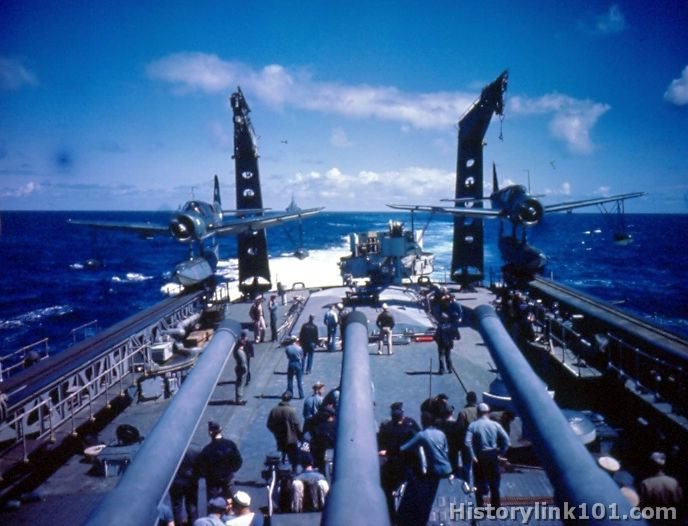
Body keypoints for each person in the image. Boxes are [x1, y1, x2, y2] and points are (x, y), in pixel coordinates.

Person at [397, 411, 453, 526]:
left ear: (423, 422)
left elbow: (405, 448)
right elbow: (446, 450)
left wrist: (389, 451)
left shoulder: (422, 435)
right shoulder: (441, 433)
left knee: (427, 497)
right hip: (448, 469)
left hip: (435, 471)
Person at [377, 402, 421, 521]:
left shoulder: (387, 427)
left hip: (395, 463)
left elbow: (381, 445)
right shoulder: (410, 425)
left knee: (388, 490)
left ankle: (392, 516)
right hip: (406, 463)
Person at [465, 403, 510, 509]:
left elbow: (467, 442)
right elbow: (506, 441)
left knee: (479, 483)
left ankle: (480, 508)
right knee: (494, 484)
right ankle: (496, 508)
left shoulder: (473, 425)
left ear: (478, 413)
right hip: (492, 455)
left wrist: (472, 455)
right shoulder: (495, 425)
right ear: (488, 412)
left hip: (479, 456)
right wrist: (501, 453)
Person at [196, 421, 243, 501]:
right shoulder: (230, 444)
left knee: (213, 503)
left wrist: (208, 475)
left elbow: (201, 467)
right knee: (232, 500)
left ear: (210, 432)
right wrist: (230, 471)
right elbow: (238, 461)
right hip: (228, 478)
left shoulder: (208, 449)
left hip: (213, 481)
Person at [638, 451, 684, 519]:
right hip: (672, 520)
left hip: (653, 520)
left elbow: (641, 507)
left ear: (650, 465)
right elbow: (680, 503)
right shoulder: (674, 482)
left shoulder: (645, 484)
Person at [267, 391, 302, 471]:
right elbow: (296, 424)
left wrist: (275, 431)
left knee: (282, 453)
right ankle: (293, 470)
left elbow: (269, 424)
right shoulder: (291, 411)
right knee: (293, 457)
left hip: (279, 437)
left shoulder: (274, 410)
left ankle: (280, 470)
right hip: (291, 438)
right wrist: (300, 435)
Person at [432, 292, 462, 374]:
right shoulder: (452, 325)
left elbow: (437, 334)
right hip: (448, 341)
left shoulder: (441, 325)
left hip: (441, 341)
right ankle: (449, 368)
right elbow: (457, 335)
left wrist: (436, 338)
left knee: (441, 355)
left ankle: (442, 369)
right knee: (448, 355)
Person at [170, 447, 199, 526]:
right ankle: (194, 524)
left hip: (176, 481)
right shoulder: (196, 450)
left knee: (177, 507)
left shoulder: (172, 450)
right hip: (191, 481)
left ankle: (178, 524)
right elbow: (200, 465)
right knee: (192, 505)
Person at [457, 391, 479, 492]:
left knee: (466, 463)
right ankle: (478, 484)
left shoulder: (463, 412)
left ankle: (467, 482)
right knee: (478, 463)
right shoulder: (480, 411)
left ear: (467, 400)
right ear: (476, 400)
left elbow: (459, 428)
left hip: (467, 442)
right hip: (479, 442)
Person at [233, 334, 249, 405]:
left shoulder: (237, 350)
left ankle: (239, 398)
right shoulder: (239, 352)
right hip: (241, 369)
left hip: (239, 368)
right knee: (240, 384)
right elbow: (242, 361)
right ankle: (239, 400)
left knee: (240, 383)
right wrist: (245, 369)